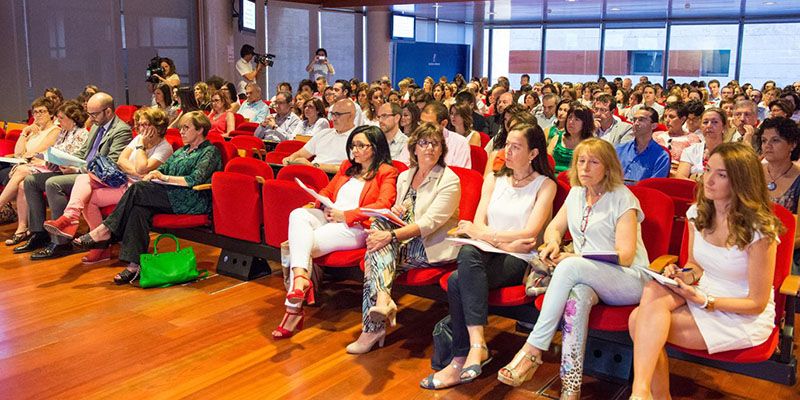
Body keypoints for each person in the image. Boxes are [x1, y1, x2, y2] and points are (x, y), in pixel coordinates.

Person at [498, 138, 651, 399]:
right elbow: (554, 228)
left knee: (570, 267)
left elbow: (625, 256)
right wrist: (554, 243)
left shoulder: (623, 198)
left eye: (593, 162)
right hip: (587, 277)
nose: (585, 167)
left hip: (629, 279)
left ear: (608, 167)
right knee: (576, 299)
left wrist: (576, 258)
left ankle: (533, 349)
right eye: (581, 161)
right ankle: (570, 388)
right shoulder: (576, 193)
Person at [628, 142, 782, 399]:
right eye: (708, 169)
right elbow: (696, 266)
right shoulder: (697, 212)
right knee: (653, 288)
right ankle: (643, 392)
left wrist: (707, 301)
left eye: (720, 175)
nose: (707, 180)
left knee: (638, 320)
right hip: (703, 291)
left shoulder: (760, 231)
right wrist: (681, 275)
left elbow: (757, 302)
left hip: (740, 312)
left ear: (741, 182)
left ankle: (646, 393)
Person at [420, 124, 556, 390]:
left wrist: (487, 235)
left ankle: (461, 358)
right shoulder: (495, 179)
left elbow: (529, 232)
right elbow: (477, 224)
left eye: (516, 147)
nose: (507, 151)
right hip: (488, 252)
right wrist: (501, 239)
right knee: (468, 252)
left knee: (460, 280)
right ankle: (476, 345)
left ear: (533, 153)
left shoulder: (545, 185)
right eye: (507, 145)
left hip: (518, 260)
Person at [273, 125, 398, 339]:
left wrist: (346, 215)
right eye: (352, 145)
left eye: (361, 146)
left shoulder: (387, 171)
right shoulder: (347, 166)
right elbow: (328, 191)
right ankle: (301, 278)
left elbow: (383, 204)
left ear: (376, 148)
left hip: (357, 226)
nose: (355, 150)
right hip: (331, 216)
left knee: (300, 245)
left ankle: (293, 307)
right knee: (297, 215)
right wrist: (320, 202)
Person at [348, 122, 461, 353]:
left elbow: (428, 223)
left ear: (441, 150)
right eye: (423, 142)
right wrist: (398, 211)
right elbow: (402, 210)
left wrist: (389, 236)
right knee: (380, 228)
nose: (429, 148)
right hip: (403, 239)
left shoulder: (449, 180)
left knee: (374, 257)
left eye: (435, 143)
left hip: (431, 244)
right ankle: (382, 301)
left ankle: (373, 327)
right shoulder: (406, 176)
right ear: (414, 148)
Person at [72, 111, 221, 283]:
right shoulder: (183, 151)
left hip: (191, 198)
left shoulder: (210, 151)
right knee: (138, 209)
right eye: (180, 128)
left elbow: (194, 179)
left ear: (200, 129)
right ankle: (133, 266)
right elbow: (164, 170)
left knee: (138, 188)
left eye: (186, 128)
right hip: (170, 194)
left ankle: (104, 231)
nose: (181, 132)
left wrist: (163, 177)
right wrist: (156, 174)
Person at [43, 107, 173, 263]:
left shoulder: (164, 147)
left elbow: (140, 167)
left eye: (146, 125)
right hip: (122, 180)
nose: (141, 129)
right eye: (139, 125)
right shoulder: (138, 138)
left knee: (89, 198)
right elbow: (121, 161)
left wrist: (140, 150)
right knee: (83, 179)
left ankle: (100, 246)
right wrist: (137, 170)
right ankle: (71, 216)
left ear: (158, 127)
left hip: (136, 190)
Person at [17, 93, 132, 258]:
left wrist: (77, 169)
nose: (90, 119)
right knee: (31, 181)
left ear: (108, 111)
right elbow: (83, 152)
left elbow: (110, 164)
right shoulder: (95, 126)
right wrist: (58, 161)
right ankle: (39, 233)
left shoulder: (121, 130)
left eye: (94, 114)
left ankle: (60, 242)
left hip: (98, 178)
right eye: (89, 114)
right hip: (83, 171)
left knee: (53, 183)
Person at [2, 101, 89, 246]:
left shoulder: (81, 133)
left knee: (31, 176)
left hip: (69, 171)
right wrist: (47, 159)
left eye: (61, 118)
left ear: (72, 118)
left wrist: (47, 160)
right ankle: (37, 232)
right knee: (25, 183)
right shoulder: (63, 132)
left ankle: (58, 239)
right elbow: (51, 153)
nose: (58, 121)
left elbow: (76, 158)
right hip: (55, 168)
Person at [0, 97, 61, 224]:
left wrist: (24, 155)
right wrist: (24, 132)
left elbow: (37, 152)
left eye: (42, 111)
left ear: (50, 114)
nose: (37, 115)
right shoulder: (33, 131)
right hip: (25, 165)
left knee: (20, 178)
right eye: (35, 112)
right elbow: (18, 152)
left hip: (40, 167)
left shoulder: (55, 131)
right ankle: (13, 218)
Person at [757, 117, 800, 273]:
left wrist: (768, 244)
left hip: (787, 251)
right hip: (746, 243)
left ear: (792, 144)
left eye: (775, 140)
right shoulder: (752, 173)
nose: (767, 146)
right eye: (764, 140)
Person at [283, 99, 357, 174]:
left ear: (350, 116)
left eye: (337, 114)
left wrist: (312, 166)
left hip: (334, 178)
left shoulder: (358, 139)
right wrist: (290, 159)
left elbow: (350, 169)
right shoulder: (324, 133)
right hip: (311, 173)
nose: (333, 118)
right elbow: (300, 154)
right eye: (332, 114)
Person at [616, 106, 670, 182]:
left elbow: (654, 186)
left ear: (654, 125)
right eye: (634, 120)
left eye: (641, 120)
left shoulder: (661, 156)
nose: (636, 123)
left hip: (642, 192)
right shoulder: (619, 149)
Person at [676, 108, 727, 180]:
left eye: (715, 122)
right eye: (705, 122)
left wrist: (695, 177)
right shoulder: (690, 151)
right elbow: (680, 178)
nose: (709, 125)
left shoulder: (732, 152)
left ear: (724, 127)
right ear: (700, 126)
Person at [654, 102, 702, 174]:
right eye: (665, 116)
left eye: (671, 117)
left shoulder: (692, 139)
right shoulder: (656, 135)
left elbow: (697, 167)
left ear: (683, 119)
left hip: (678, 177)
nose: (667, 120)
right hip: (654, 175)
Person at [420, 103, 471, 169]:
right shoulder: (415, 139)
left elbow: (458, 174)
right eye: (421, 123)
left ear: (443, 124)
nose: (422, 128)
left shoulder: (460, 143)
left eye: (429, 125)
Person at [548, 103, 594, 173]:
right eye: (569, 117)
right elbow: (546, 162)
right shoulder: (557, 138)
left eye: (577, 119)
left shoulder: (590, 144)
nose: (571, 122)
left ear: (585, 123)